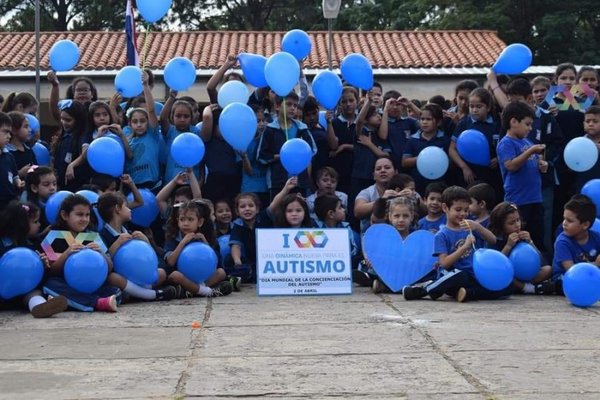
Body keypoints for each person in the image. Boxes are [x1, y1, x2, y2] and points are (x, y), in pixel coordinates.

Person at [402, 186, 511, 303]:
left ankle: (467, 293)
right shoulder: (442, 235)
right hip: (452, 276)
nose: (463, 214)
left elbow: (493, 240)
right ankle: (424, 290)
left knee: (507, 288)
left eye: (466, 210)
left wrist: (478, 227)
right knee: (461, 275)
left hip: (473, 275)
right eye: (458, 210)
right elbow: (444, 263)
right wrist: (464, 247)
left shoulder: (470, 227)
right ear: (445, 208)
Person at [42, 194, 122, 312]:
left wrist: (102, 254)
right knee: (49, 285)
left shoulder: (93, 236)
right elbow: (52, 271)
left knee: (117, 291)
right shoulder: (51, 237)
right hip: (65, 284)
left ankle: (76, 301)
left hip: (91, 285)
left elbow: (110, 267)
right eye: (79, 215)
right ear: (64, 215)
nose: (84, 219)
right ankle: (97, 303)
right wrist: (66, 254)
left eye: (87, 215)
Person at [97, 192, 176, 302]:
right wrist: (117, 244)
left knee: (161, 273)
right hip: (121, 276)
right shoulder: (102, 235)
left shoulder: (128, 231)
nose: (130, 210)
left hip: (137, 277)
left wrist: (146, 241)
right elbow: (104, 261)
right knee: (113, 278)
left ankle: (136, 293)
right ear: (117, 209)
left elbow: (147, 259)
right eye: (126, 206)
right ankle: (152, 294)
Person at [0, 201, 68, 318]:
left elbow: (38, 278)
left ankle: (41, 306)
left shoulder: (33, 245)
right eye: (35, 222)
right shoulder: (2, 244)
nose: (39, 225)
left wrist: (43, 266)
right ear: (21, 224)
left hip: (22, 293)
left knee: (35, 293)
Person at [497, 101, 548, 251]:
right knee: (519, 239)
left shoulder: (526, 141)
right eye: (527, 124)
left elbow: (534, 162)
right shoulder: (506, 143)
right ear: (513, 121)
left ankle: (541, 268)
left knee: (537, 237)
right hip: (518, 201)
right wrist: (530, 151)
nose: (530, 128)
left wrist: (542, 165)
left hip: (535, 198)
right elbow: (511, 165)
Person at [227, 177, 300, 281]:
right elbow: (236, 247)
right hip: (251, 262)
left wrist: (286, 188)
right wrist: (238, 264)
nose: (247, 208)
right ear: (237, 212)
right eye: (242, 207)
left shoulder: (265, 216)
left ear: (257, 209)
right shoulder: (238, 225)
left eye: (251, 206)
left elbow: (275, 203)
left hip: (271, 260)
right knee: (229, 260)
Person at [164, 200, 233, 297]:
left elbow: (216, 263)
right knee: (175, 276)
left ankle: (192, 291)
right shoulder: (173, 237)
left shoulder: (206, 236)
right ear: (177, 221)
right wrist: (183, 242)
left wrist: (205, 243)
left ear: (200, 222)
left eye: (190, 219)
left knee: (221, 273)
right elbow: (170, 262)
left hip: (203, 277)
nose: (186, 223)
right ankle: (206, 291)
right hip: (183, 276)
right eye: (182, 219)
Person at [257, 92, 317, 199]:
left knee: (298, 211)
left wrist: (298, 156)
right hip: (277, 182)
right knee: (278, 213)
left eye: (295, 105)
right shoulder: (270, 129)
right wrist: (279, 156)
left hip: (300, 182)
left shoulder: (302, 128)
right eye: (288, 104)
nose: (292, 108)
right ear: (277, 106)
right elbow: (261, 156)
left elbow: (313, 149)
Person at [488, 202, 554, 294]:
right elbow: (497, 264)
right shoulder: (496, 239)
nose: (517, 225)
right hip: (508, 275)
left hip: (525, 275)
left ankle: (522, 286)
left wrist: (531, 242)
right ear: (501, 225)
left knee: (548, 269)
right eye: (511, 223)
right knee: (505, 275)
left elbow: (540, 261)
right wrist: (508, 246)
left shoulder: (522, 236)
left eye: (518, 220)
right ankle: (526, 288)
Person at [449, 88, 502, 188]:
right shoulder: (464, 123)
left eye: (479, 106)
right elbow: (452, 149)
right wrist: (464, 167)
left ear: (488, 107)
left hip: (491, 175)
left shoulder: (496, 124)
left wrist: (499, 158)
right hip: (468, 176)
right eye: (471, 106)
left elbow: (503, 146)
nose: (474, 110)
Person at [124, 73, 165, 190]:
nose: (139, 124)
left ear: (148, 122)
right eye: (135, 121)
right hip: (133, 186)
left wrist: (146, 85)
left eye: (142, 121)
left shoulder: (152, 134)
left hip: (153, 185)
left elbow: (151, 110)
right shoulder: (126, 137)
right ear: (129, 124)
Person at [552, 195, 600, 294]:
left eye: (569, 221)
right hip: (566, 277)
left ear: (585, 225)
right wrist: (596, 265)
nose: (564, 223)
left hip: (589, 276)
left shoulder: (596, 237)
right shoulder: (562, 242)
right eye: (564, 219)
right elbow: (571, 272)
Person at [371, 196, 418, 293]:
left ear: (412, 217)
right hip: (390, 272)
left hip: (409, 272)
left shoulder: (417, 237)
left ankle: (386, 287)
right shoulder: (384, 236)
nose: (401, 220)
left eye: (405, 216)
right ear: (389, 217)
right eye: (397, 216)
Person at [351, 97, 391, 207]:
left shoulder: (377, 135)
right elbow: (359, 121)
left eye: (379, 114)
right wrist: (368, 101)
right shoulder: (362, 132)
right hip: (360, 175)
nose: (379, 116)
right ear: (366, 119)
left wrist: (370, 144)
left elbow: (385, 155)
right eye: (374, 115)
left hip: (375, 177)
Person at [402, 103, 450, 193]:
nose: (424, 122)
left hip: (440, 184)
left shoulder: (445, 140)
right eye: (422, 119)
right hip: (419, 184)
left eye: (428, 119)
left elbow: (450, 161)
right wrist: (423, 158)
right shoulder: (413, 139)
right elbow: (405, 162)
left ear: (438, 122)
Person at [160, 93, 209, 183]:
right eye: (178, 116)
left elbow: (202, 160)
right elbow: (163, 118)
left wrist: (201, 180)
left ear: (191, 118)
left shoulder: (196, 133)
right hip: (171, 182)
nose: (182, 119)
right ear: (172, 117)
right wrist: (171, 97)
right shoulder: (170, 131)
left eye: (186, 116)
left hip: (192, 183)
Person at [200, 104, 241, 204]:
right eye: (220, 125)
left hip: (233, 180)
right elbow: (207, 117)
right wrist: (208, 108)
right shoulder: (208, 139)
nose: (224, 128)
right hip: (215, 180)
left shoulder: (232, 141)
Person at [51, 100, 88, 191]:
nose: (63, 122)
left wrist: (72, 165)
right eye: (62, 119)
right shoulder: (62, 137)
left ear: (78, 120)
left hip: (77, 186)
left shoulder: (82, 136)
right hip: (61, 185)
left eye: (68, 120)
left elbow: (86, 152)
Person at [354, 156, 397, 233]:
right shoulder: (367, 192)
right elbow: (358, 211)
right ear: (373, 175)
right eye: (378, 169)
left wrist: (414, 199)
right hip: (373, 237)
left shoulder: (404, 187)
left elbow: (424, 211)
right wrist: (381, 201)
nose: (383, 170)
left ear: (396, 172)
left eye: (387, 167)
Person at [377, 90, 419, 170]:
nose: (395, 107)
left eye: (398, 104)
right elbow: (383, 136)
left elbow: (427, 119)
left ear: (402, 106)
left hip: (409, 166)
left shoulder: (408, 121)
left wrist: (410, 104)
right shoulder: (381, 123)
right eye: (391, 104)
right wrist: (385, 109)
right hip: (390, 167)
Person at [329, 86, 359, 194]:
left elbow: (363, 146)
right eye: (344, 101)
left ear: (357, 101)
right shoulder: (335, 123)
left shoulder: (361, 123)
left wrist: (345, 146)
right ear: (339, 104)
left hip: (358, 170)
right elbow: (333, 146)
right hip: (340, 171)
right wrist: (328, 123)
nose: (348, 104)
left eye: (351, 100)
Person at [240, 105, 269, 207]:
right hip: (249, 189)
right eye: (257, 121)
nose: (261, 124)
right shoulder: (244, 140)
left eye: (263, 120)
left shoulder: (269, 139)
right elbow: (249, 171)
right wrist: (244, 156)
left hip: (266, 187)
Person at [0, 112, 23, 210]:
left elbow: (14, 176)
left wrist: (18, 182)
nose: (9, 136)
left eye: (10, 132)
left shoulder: (9, 156)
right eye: (5, 131)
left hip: (9, 206)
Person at [574, 105, 600, 192]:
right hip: (583, 188)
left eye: (595, 121)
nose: (591, 124)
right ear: (583, 124)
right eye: (587, 121)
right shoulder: (577, 144)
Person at [24, 166, 57, 233]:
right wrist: (43, 234)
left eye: (54, 184)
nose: (52, 188)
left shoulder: (58, 203)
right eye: (46, 184)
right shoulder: (30, 209)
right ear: (34, 188)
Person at [7, 111, 36, 179]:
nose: (29, 130)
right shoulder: (7, 153)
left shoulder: (29, 150)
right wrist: (20, 173)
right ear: (14, 130)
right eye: (26, 127)